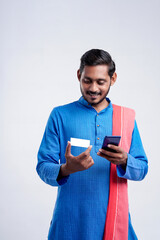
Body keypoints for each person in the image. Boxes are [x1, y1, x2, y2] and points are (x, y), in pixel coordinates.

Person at [36, 49, 148, 240]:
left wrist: (124, 160)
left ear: (113, 79)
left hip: (113, 222)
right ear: (79, 75)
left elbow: (142, 169)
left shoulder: (126, 118)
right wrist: (65, 169)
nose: (93, 88)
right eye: (87, 80)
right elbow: (43, 166)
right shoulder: (60, 115)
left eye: (101, 82)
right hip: (69, 223)